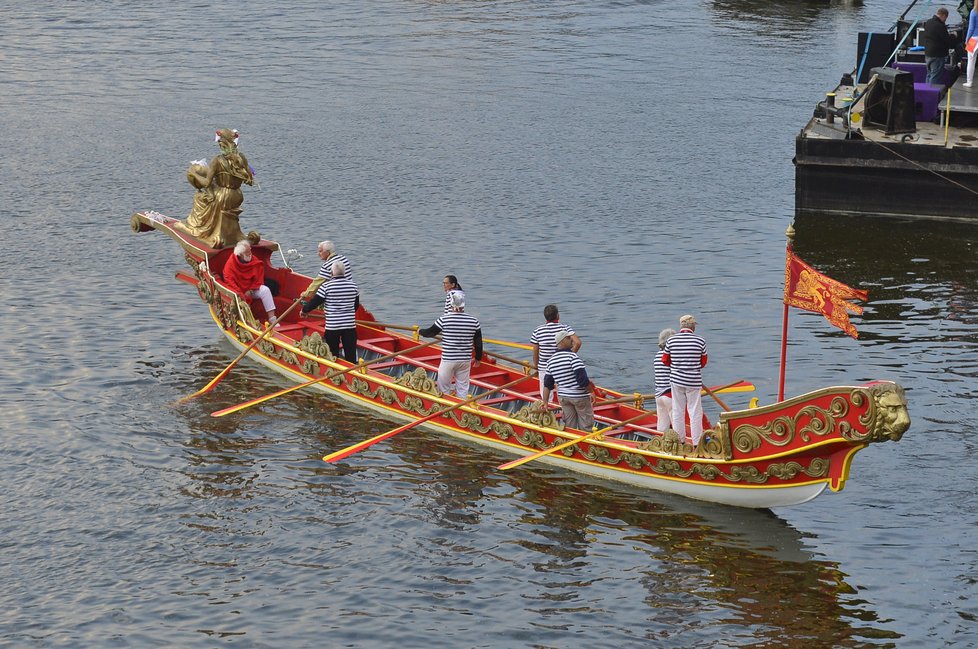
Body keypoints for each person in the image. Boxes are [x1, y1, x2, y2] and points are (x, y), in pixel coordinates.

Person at [174, 128, 255, 248]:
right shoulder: (241, 158)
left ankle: (201, 229)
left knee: (199, 197)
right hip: (237, 196)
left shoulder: (217, 160)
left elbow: (206, 183)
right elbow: (250, 180)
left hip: (223, 196)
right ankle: (231, 233)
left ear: (222, 144)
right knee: (212, 194)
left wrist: (194, 173)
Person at [419, 292, 483, 398]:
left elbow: (430, 333)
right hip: (465, 360)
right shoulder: (474, 321)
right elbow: (478, 343)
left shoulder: (444, 319)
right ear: (463, 305)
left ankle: (445, 409)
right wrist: (478, 358)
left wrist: (419, 331)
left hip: (448, 359)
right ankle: (462, 407)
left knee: (443, 387)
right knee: (462, 388)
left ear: (451, 304)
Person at [301, 261, 360, 362]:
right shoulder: (353, 286)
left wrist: (304, 311)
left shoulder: (326, 287)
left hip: (333, 326)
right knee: (351, 355)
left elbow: (314, 303)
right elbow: (355, 306)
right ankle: (352, 370)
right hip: (349, 325)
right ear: (344, 272)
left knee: (332, 354)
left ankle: (334, 371)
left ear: (332, 273)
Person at [662, 315, 708, 446]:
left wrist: (677, 366)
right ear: (693, 327)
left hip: (676, 380)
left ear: (681, 326)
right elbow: (703, 362)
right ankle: (697, 443)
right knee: (695, 411)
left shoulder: (671, 340)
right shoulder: (700, 341)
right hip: (694, 381)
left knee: (677, 410)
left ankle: (680, 441)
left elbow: (665, 360)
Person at [542, 330, 595, 431]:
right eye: (568, 338)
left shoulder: (551, 361)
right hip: (579, 397)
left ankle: (571, 443)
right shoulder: (573, 358)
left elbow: (547, 385)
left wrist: (545, 402)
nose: (572, 340)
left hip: (564, 398)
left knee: (570, 425)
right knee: (586, 425)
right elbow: (582, 380)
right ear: (562, 342)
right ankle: (585, 443)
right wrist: (591, 392)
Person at [530, 304, 582, 401]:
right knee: (563, 392)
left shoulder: (537, 331)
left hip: (544, 367)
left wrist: (536, 366)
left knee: (546, 395)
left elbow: (535, 352)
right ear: (558, 316)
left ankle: (548, 410)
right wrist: (569, 355)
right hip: (562, 365)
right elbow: (578, 343)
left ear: (545, 317)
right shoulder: (565, 328)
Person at [223, 240, 278, 325]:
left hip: (252, 289)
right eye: (247, 252)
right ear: (240, 254)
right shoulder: (230, 264)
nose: (250, 253)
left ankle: (272, 319)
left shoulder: (253, 260)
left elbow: (258, 278)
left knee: (265, 290)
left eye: (250, 250)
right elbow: (230, 281)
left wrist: (251, 290)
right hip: (239, 291)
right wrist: (241, 294)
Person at [922, 8, 958, 85]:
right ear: (944, 16)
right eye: (946, 18)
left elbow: (934, 35)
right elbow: (947, 40)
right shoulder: (940, 25)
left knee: (929, 74)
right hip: (937, 55)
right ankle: (932, 95)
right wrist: (954, 36)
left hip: (928, 53)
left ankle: (926, 92)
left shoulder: (928, 22)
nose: (945, 20)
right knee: (935, 76)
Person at [653, 328, 676, 432]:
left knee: (662, 423)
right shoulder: (671, 356)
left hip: (659, 395)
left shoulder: (657, 355)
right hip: (669, 394)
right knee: (677, 423)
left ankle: (660, 444)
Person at [964, 4, 978, 87]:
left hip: (973, 39)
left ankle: (969, 82)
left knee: (971, 61)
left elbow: (971, 28)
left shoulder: (974, 12)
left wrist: (967, 39)